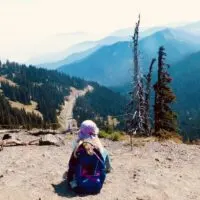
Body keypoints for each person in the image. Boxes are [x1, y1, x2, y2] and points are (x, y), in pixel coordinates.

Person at [67, 120, 111, 193]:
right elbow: (101, 160)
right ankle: (108, 169)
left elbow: (71, 165)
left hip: (79, 184)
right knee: (105, 152)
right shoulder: (97, 145)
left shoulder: (77, 145)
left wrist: (70, 179)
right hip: (96, 184)